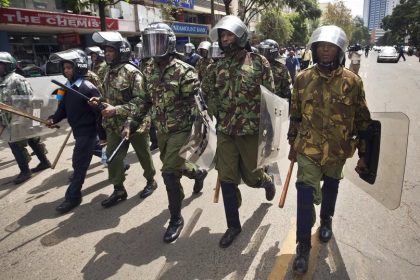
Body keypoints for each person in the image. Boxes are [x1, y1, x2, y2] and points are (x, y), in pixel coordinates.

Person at [287, 25, 372, 274]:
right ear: (314, 49)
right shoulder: (302, 79)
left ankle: (327, 219)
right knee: (304, 191)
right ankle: (303, 246)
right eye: (321, 46)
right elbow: (295, 116)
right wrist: (293, 144)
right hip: (309, 148)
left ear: (339, 50)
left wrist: (365, 155)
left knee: (332, 187)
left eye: (330, 46)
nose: (325, 50)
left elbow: (363, 121)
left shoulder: (353, 82)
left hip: (337, 148)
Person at [129, 22, 208, 243]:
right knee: (175, 165)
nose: (154, 48)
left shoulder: (185, 70)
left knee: (169, 173)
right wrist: (131, 120)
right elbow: (144, 100)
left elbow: (197, 101)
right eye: (150, 43)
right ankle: (197, 173)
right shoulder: (148, 70)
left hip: (182, 129)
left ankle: (175, 219)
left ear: (170, 44)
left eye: (159, 42)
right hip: (161, 130)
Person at [202, 15, 276, 248]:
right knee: (227, 177)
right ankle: (233, 225)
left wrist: (269, 130)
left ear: (241, 35)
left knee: (252, 178)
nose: (225, 39)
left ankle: (265, 181)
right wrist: (218, 113)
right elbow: (207, 93)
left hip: (251, 131)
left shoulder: (258, 62)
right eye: (222, 35)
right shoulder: (216, 67)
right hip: (226, 131)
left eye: (229, 34)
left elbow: (270, 97)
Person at [90, 31, 158, 207]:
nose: (106, 54)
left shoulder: (132, 72)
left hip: (135, 124)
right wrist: (99, 101)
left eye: (111, 51)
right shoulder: (107, 71)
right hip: (113, 126)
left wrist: (117, 110)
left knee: (144, 156)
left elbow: (142, 101)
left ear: (121, 51)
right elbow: (108, 97)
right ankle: (118, 189)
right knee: (112, 158)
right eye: (105, 51)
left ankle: (151, 181)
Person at [47, 49, 103, 213]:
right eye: (64, 68)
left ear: (78, 67)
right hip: (78, 130)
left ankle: (73, 197)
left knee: (79, 164)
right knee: (96, 150)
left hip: (88, 131)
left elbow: (100, 111)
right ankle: (120, 164)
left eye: (69, 68)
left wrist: (103, 133)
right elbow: (62, 109)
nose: (66, 71)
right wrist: (53, 119)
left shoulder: (88, 87)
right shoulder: (66, 87)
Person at [0, 52, 51, 185]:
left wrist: (33, 121)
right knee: (33, 141)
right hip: (9, 120)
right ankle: (44, 162)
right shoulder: (3, 81)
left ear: (8, 65)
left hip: (22, 119)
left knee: (16, 144)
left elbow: (31, 100)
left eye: (0, 65)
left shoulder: (17, 79)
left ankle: (25, 171)